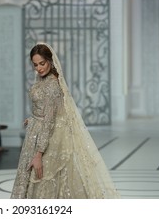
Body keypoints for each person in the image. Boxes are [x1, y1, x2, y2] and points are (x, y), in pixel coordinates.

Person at [11, 43, 120, 199]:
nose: (39, 68)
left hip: (48, 137)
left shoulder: (52, 85)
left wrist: (39, 154)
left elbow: (49, 121)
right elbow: (47, 109)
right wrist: (33, 119)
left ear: (50, 60)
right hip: (36, 132)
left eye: (42, 63)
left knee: (45, 177)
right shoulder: (44, 79)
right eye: (35, 65)